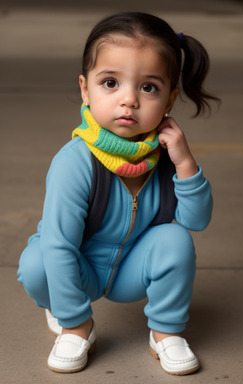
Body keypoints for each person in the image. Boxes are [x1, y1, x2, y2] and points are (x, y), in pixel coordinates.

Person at [17, 12, 218, 376]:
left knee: (174, 237)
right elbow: (60, 245)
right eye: (110, 82)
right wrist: (76, 321)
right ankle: (73, 321)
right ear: (85, 89)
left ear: (171, 99)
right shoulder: (74, 162)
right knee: (37, 262)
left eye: (149, 87)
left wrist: (186, 162)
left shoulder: (167, 157)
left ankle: (165, 333)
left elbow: (197, 220)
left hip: (131, 271)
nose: (129, 100)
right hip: (82, 269)